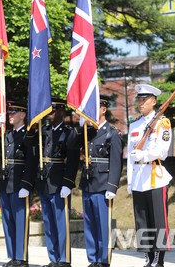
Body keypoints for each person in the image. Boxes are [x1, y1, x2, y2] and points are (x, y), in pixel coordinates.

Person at [71, 95, 123, 267]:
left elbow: (116, 162)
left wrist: (112, 186)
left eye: (94, 108)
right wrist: (80, 127)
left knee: (103, 225)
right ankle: (93, 259)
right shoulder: (87, 132)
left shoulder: (112, 133)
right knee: (90, 224)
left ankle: (104, 260)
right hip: (88, 183)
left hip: (103, 184)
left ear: (103, 110)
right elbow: (70, 145)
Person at [127, 84, 173, 267]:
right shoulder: (135, 125)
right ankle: (147, 257)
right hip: (139, 179)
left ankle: (158, 260)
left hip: (155, 177)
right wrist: (130, 182)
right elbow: (130, 156)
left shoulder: (162, 123)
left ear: (154, 102)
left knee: (158, 221)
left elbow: (162, 151)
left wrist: (145, 156)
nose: (140, 103)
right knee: (142, 221)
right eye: (139, 99)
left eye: (144, 99)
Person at [36, 98, 80, 267]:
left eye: (53, 111)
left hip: (59, 182)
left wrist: (68, 183)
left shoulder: (69, 133)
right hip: (45, 182)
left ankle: (64, 259)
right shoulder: (43, 130)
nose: (50, 114)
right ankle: (53, 258)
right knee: (48, 223)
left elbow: (73, 160)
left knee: (61, 223)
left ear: (61, 112)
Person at [0, 101, 37, 267]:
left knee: (20, 221)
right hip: (6, 183)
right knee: (8, 221)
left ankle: (21, 257)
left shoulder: (29, 135)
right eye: (9, 113)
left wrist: (27, 184)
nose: (10, 115)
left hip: (20, 182)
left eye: (14, 113)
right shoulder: (5, 134)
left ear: (23, 115)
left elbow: (32, 161)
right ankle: (13, 255)